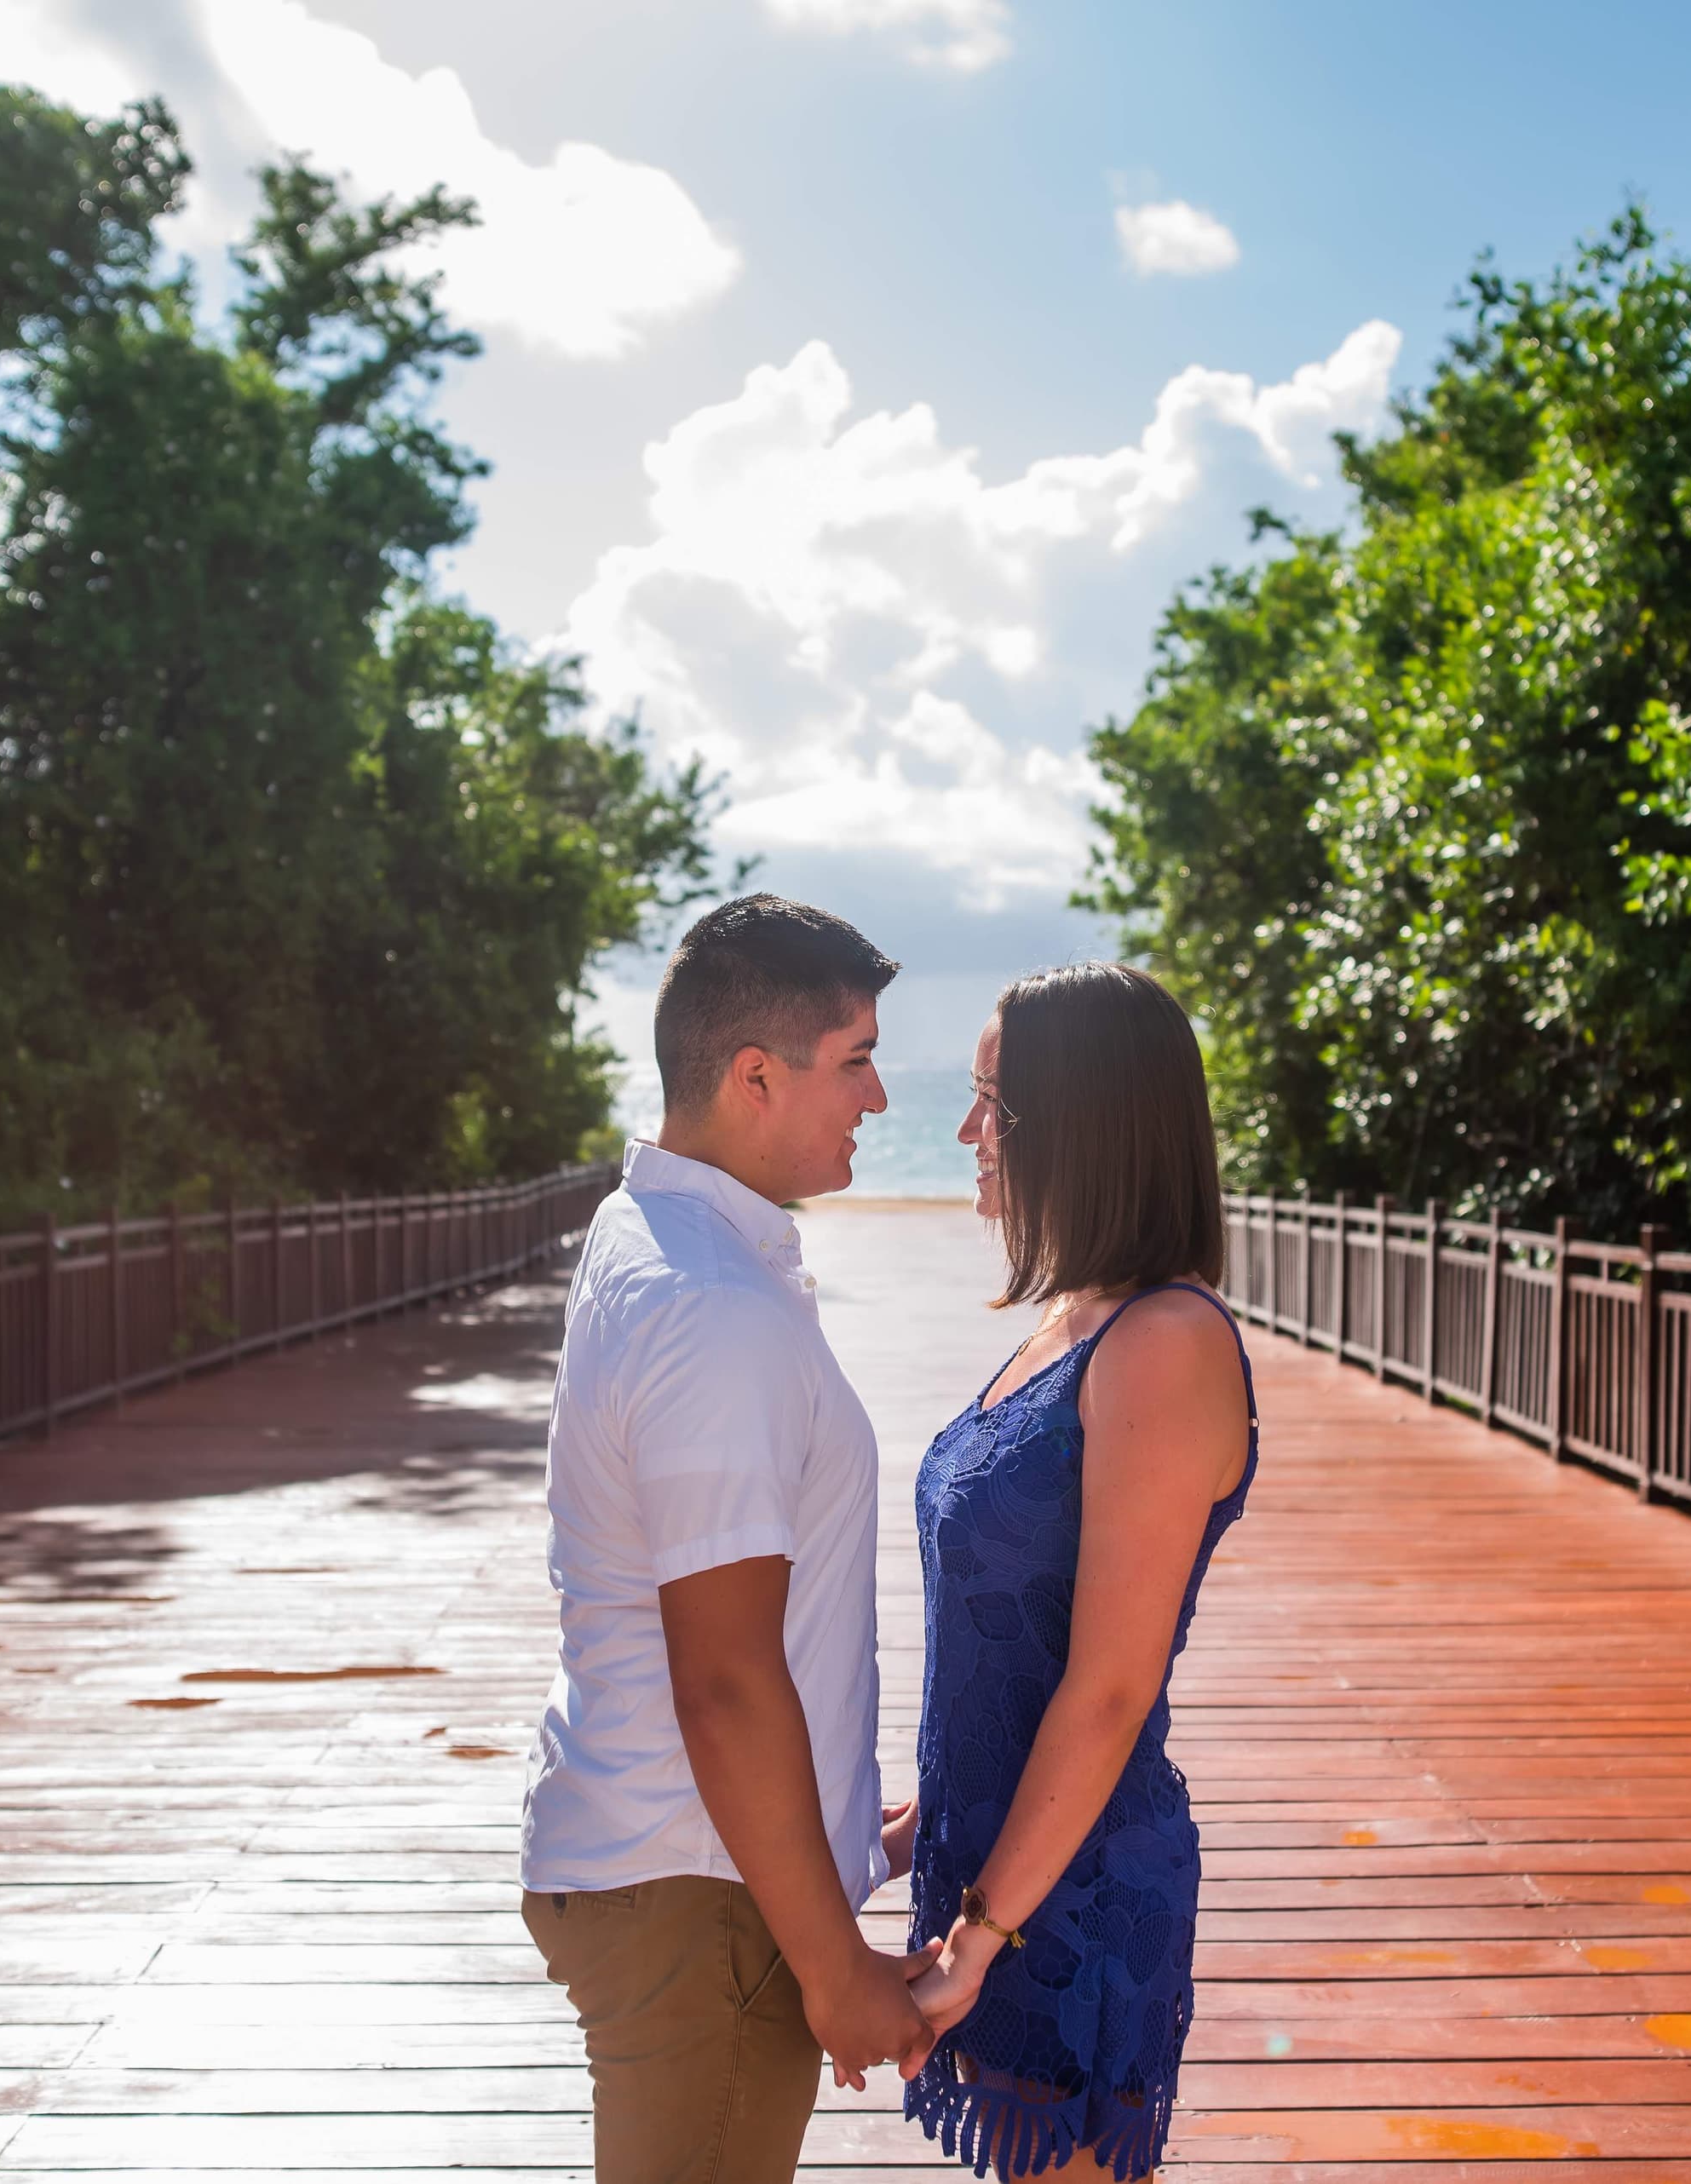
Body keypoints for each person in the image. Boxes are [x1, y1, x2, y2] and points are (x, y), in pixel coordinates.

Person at [520, 894, 934, 2183]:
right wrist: (835, 1969)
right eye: (855, 1058)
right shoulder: (711, 1308)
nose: (876, 1097)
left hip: (678, 1867)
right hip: (699, 1899)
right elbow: (724, 1675)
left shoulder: (659, 1238)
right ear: (756, 1074)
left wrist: (858, 1821)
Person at [896, 962, 1258, 2180]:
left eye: (994, 1098)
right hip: (997, 1868)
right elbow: (1013, 1633)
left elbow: (1107, 1689)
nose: (967, 1131)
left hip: (1067, 1901)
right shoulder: (1070, 1325)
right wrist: (914, 1831)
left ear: (1086, 1121)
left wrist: (977, 1939)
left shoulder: (1163, 1345)